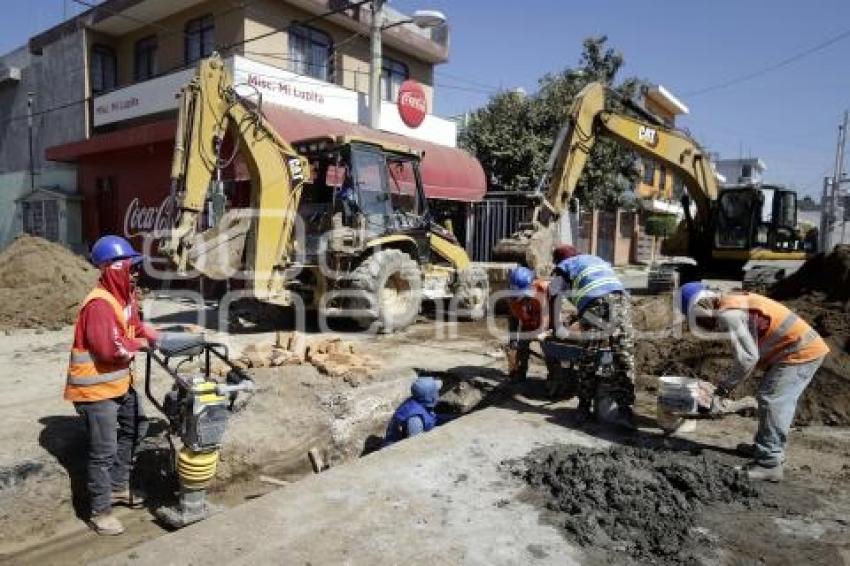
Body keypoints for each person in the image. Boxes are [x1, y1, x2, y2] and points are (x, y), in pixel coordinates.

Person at [679, 282, 829, 482]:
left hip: (801, 351)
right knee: (769, 396)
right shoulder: (729, 301)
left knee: (773, 400)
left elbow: (748, 358)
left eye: (695, 317)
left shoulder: (728, 313)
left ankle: (769, 463)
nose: (699, 324)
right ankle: (764, 448)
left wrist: (723, 389)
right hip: (794, 348)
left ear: (699, 306)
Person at [65, 235, 159, 535]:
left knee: (137, 426)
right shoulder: (99, 305)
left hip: (118, 384)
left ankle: (118, 487)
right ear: (113, 269)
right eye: (130, 268)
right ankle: (100, 511)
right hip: (96, 390)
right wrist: (141, 344)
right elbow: (110, 349)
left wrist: (153, 333)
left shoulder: (124, 297)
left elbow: (131, 326)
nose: (135, 273)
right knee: (103, 450)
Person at [549, 244, 635, 427]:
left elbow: (554, 298)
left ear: (558, 261)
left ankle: (584, 407)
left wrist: (556, 327)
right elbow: (599, 288)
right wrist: (577, 315)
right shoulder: (594, 260)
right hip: (621, 302)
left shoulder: (561, 269)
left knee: (589, 357)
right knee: (623, 355)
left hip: (595, 306)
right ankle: (625, 410)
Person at [506, 266, 549, 381]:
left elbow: (547, 313)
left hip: (547, 325)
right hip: (528, 324)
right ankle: (520, 372)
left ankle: (555, 375)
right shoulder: (512, 299)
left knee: (550, 350)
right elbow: (513, 319)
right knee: (521, 347)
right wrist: (513, 341)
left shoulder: (543, 289)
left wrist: (543, 331)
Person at [384, 376, 447, 445]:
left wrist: (452, 418)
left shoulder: (418, 401)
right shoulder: (415, 421)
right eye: (436, 391)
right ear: (431, 397)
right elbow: (414, 446)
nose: (438, 393)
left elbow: (433, 418)